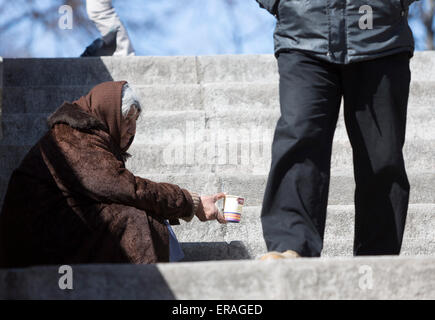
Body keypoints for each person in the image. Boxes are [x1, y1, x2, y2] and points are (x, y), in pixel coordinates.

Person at [0, 81, 226, 268]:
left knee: (139, 213)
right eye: (126, 118)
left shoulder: (87, 136)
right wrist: (191, 202)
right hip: (32, 241)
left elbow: (120, 188)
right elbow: (125, 188)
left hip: (53, 227)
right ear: (107, 112)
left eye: (135, 121)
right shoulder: (73, 136)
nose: (132, 128)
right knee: (133, 218)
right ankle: (158, 289)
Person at [257, 0, 418, 259]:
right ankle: (292, 246)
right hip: (304, 33)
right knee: (299, 139)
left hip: (380, 36)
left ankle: (377, 260)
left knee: (382, 156)